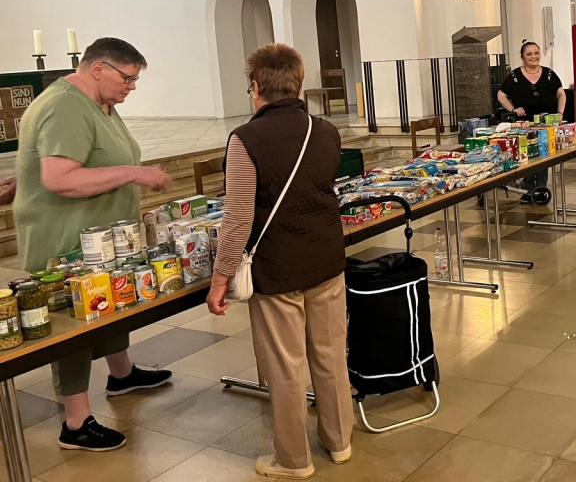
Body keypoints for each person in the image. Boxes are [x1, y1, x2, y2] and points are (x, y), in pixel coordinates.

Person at [13, 37, 173, 451]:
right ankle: (76, 420)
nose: (132, 87)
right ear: (98, 68)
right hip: (64, 239)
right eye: (128, 77)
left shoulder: (99, 104)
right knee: (75, 326)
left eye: (135, 79)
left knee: (106, 308)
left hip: (97, 235)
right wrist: (134, 174)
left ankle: (121, 374)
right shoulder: (66, 105)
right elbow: (59, 178)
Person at [206, 43, 352, 480]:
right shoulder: (325, 130)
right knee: (330, 355)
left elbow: (236, 220)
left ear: (255, 87)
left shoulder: (245, 139)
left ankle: (293, 460)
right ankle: (339, 442)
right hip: (326, 258)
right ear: (298, 82)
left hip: (278, 268)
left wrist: (219, 280)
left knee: (286, 367)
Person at [497, 41, 566, 200]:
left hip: (546, 124)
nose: (534, 56)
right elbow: (501, 95)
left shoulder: (549, 74)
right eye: (529, 54)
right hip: (524, 125)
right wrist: (513, 109)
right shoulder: (514, 76)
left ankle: (539, 190)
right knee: (527, 156)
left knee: (543, 156)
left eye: (536, 53)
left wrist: (560, 113)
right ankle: (528, 188)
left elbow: (561, 94)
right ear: (522, 57)